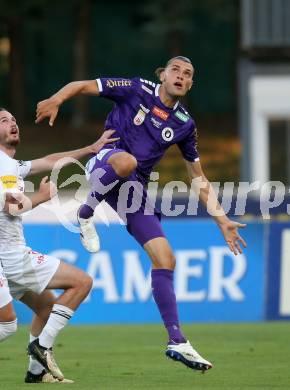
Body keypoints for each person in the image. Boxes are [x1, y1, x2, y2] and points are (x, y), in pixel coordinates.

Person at [35, 56, 247, 372]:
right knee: (127, 162)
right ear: (162, 75)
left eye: (188, 74)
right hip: (105, 162)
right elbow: (83, 85)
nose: (181, 75)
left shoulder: (184, 124)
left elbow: (198, 177)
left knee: (165, 259)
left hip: (133, 192)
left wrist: (222, 220)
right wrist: (56, 99)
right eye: (175, 69)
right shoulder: (136, 89)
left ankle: (177, 341)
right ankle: (86, 211)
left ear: (190, 85)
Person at [0, 107, 118, 382]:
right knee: (82, 282)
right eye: (4, 121)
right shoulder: (4, 165)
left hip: (7, 257)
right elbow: (13, 207)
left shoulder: (11, 164)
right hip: (10, 255)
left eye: (14, 120)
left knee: (45, 307)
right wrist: (42, 197)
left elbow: (49, 161)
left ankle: (36, 372)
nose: (12, 124)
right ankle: (42, 347)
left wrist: (90, 148)